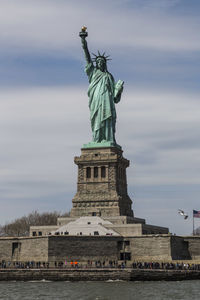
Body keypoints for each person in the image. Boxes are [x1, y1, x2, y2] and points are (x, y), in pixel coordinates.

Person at [80, 29, 124, 145]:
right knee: (96, 119)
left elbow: (115, 98)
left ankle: (108, 139)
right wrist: (83, 41)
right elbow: (87, 57)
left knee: (107, 119)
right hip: (96, 100)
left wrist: (118, 91)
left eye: (102, 62)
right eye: (98, 62)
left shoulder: (109, 76)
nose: (100, 63)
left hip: (107, 101)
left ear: (105, 64)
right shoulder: (93, 73)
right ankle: (97, 139)